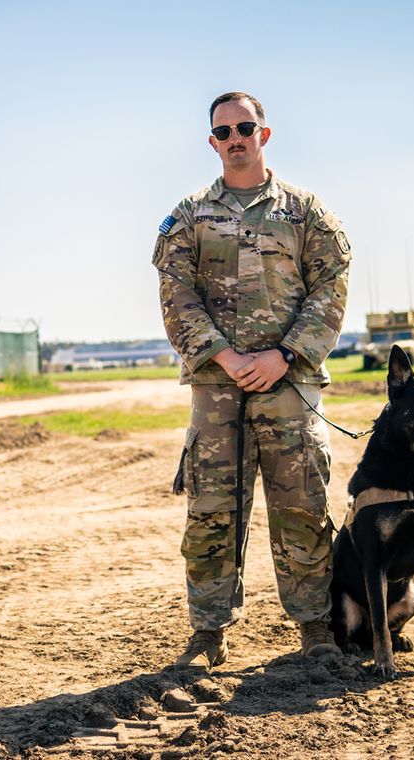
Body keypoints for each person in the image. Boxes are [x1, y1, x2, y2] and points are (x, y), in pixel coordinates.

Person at [153, 91, 352, 669]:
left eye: (245, 127)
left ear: (264, 134)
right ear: (212, 142)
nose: (234, 137)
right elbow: (176, 291)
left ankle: (316, 627)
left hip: (289, 383)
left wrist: (284, 355)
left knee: (303, 504)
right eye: (223, 131)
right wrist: (220, 354)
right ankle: (208, 633)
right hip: (217, 389)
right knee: (213, 507)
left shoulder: (306, 211)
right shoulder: (189, 215)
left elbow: (331, 285)